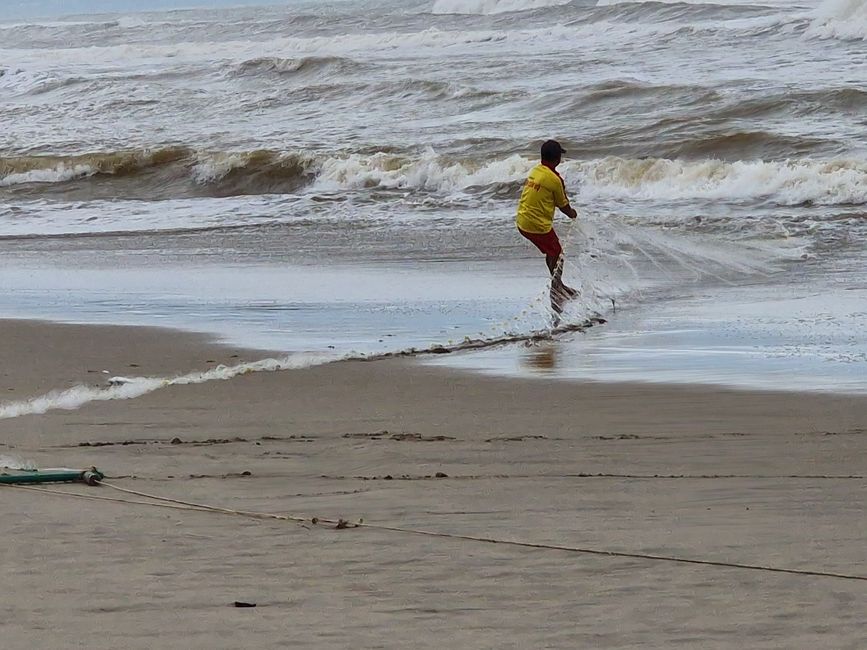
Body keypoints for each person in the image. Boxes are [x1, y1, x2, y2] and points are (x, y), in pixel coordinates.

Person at [515, 139, 578, 312]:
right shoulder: (554, 179)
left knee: (552, 252)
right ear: (557, 159)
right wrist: (573, 214)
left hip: (522, 220)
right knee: (557, 253)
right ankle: (557, 288)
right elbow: (563, 205)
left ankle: (557, 285)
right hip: (536, 225)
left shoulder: (536, 171)